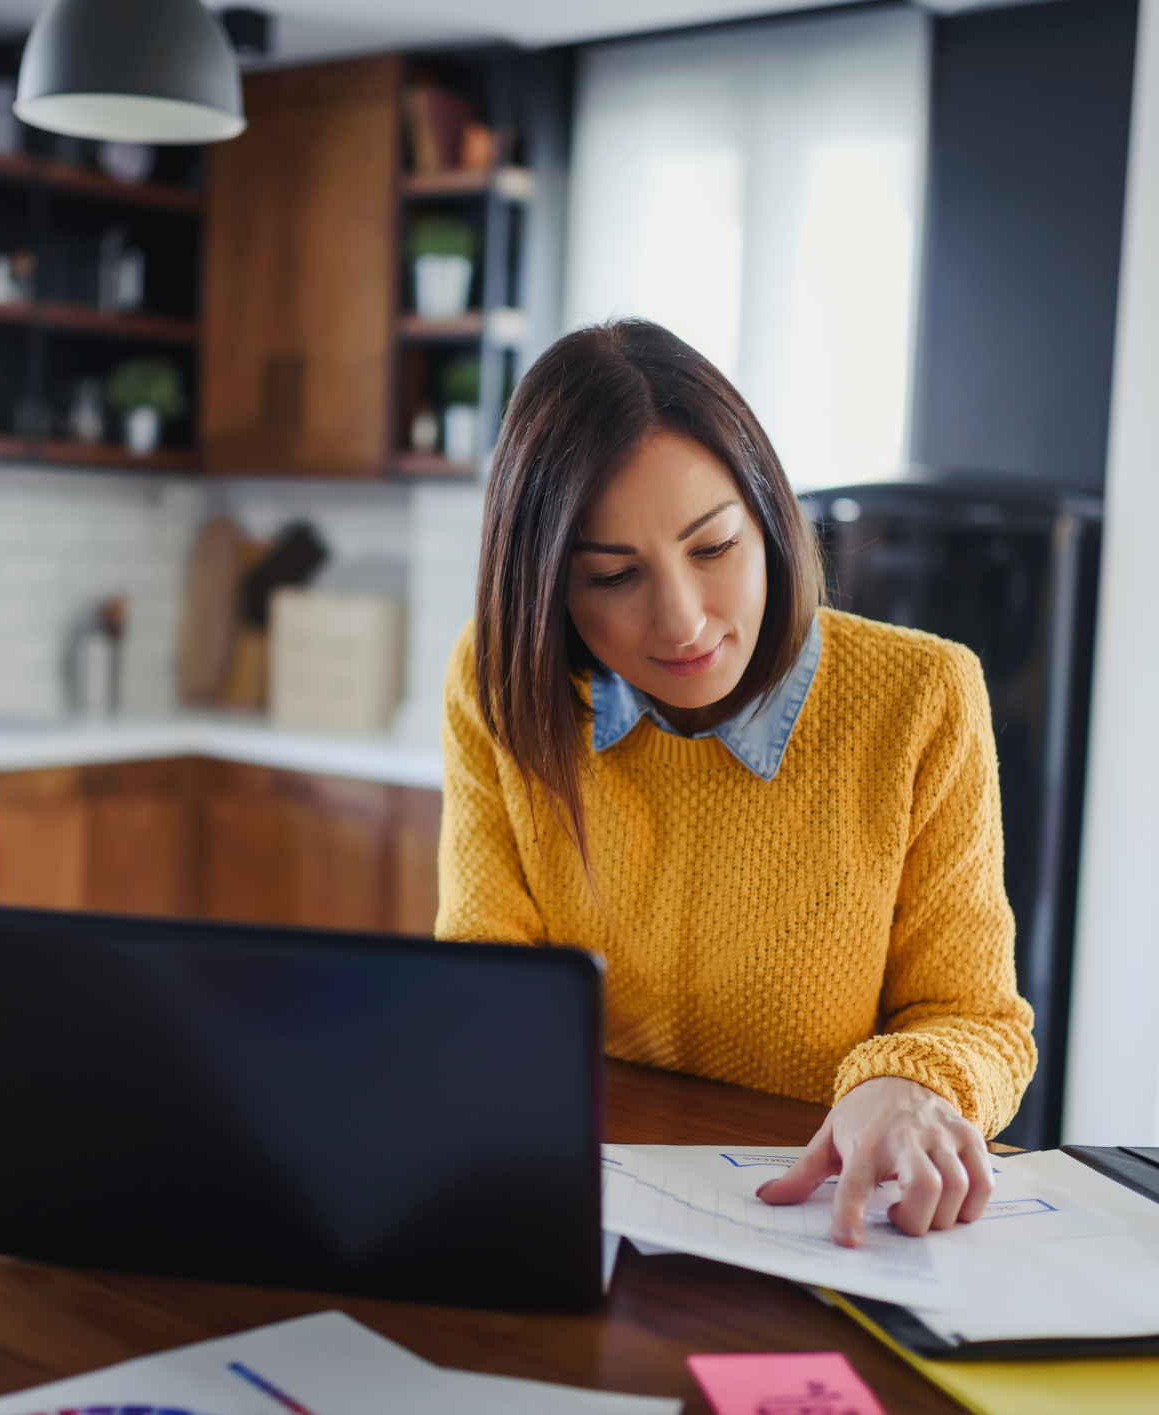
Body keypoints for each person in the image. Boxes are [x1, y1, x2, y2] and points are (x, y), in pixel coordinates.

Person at [436, 319, 1035, 1246]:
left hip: (831, 1228)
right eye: (611, 575)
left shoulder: (922, 696)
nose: (680, 620)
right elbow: (487, 988)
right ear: (549, 587)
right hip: (580, 1208)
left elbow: (978, 1018)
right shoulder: (501, 687)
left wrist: (909, 1081)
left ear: (768, 514)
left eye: (712, 549)